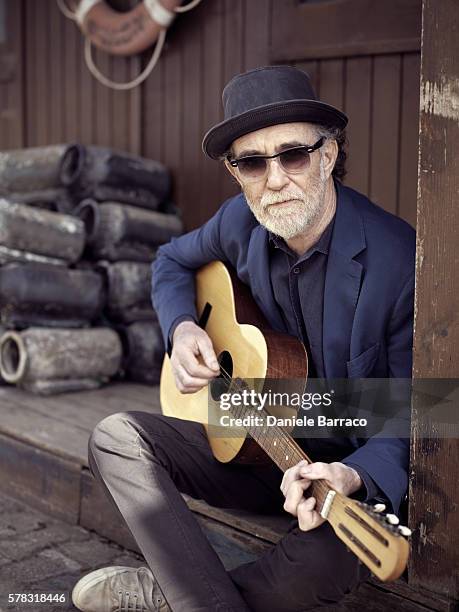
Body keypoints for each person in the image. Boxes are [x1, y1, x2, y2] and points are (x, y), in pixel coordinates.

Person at [72, 65, 415, 612]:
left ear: (328, 155)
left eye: (294, 155)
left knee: (327, 559)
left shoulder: (398, 261)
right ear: (236, 173)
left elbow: (419, 411)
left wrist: (352, 474)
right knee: (116, 436)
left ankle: (170, 596)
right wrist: (182, 327)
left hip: (339, 476)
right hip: (260, 446)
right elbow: (170, 262)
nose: (274, 179)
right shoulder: (239, 223)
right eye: (252, 162)